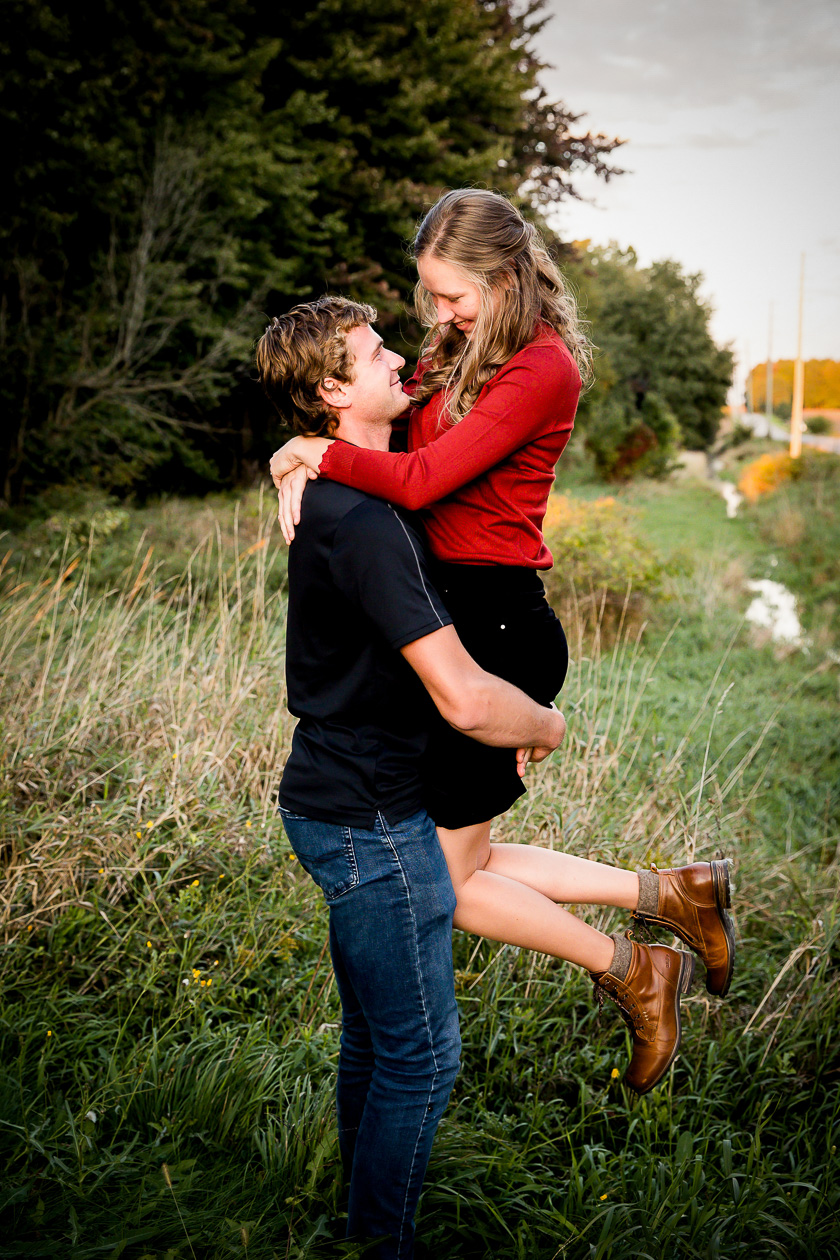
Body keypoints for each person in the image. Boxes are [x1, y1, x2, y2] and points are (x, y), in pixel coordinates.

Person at [268, 188, 736, 1081]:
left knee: (445, 882)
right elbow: (379, 414)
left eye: (452, 296)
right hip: (458, 612)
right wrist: (293, 450)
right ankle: (669, 896)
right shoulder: (464, 345)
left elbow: (421, 479)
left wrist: (315, 453)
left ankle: (639, 969)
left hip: (497, 620)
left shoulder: (542, 367)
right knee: (466, 857)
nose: (436, 316)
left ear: (505, 273)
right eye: (430, 297)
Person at [255, 294, 569, 1260]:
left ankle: (356, 1222)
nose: (400, 354)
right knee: (424, 1058)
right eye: (375, 349)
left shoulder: (350, 499)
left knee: (373, 1041)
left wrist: (295, 451)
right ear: (332, 389)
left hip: (336, 797)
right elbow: (467, 700)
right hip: (369, 819)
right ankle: (376, 1245)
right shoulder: (365, 524)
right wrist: (545, 724)